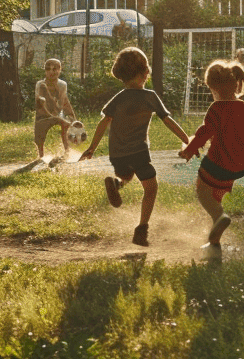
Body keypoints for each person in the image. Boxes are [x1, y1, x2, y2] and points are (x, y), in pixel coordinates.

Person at [80, 46, 192, 246]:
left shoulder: (119, 97)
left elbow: (104, 122)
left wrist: (91, 149)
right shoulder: (149, 96)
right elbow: (167, 121)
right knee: (151, 188)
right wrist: (186, 139)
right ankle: (142, 228)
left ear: (121, 76)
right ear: (145, 73)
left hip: (118, 154)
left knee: (126, 175)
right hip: (139, 152)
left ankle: (116, 183)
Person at [178, 59, 244, 259]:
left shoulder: (216, 109)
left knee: (203, 192)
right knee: (215, 192)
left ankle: (219, 217)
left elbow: (204, 133)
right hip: (238, 168)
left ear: (213, 88)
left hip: (217, 163)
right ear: (235, 85)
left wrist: (189, 150)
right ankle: (214, 243)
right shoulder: (243, 107)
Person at [34, 58, 77, 162]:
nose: (51, 72)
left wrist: (72, 117)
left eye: (55, 69)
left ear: (60, 70)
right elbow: (39, 103)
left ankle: (67, 153)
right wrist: (42, 99)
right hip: (43, 116)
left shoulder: (62, 85)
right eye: (48, 69)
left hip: (57, 115)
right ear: (45, 71)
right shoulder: (40, 84)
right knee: (40, 133)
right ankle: (41, 156)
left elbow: (64, 101)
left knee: (66, 123)